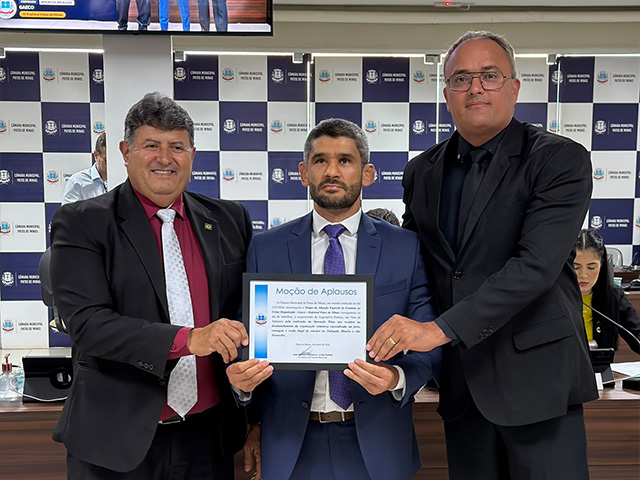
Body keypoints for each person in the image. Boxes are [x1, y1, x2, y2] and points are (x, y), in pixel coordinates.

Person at [367, 31, 598, 479]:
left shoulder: (558, 159)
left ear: (514, 87)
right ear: (446, 94)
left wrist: (437, 330)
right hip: (462, 387)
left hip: (538, 383)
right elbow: (413, 264)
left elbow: (535, 266)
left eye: (490, 76)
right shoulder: (422, 170)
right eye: (461, 78)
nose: (475, 88)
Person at [50, 92, 252, 479]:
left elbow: (244, 312)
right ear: (125, 152)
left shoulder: (229, 219)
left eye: (177, 146)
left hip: (209, 440)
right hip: (116, 443)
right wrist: (190, 339)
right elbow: (88, 325)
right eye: (151, 145)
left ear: (192, 154)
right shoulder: (82, 222)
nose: (165, 158)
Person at [227, 118, 441, 480]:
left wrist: (397, 377)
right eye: (320, 161)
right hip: (291, 445)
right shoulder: (266, 247)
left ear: (367, 173)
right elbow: (248, 336)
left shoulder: (406, 247)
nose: (331, 171)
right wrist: (241, 382)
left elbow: (429, 340)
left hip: (379, 444)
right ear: (303, 173)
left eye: (345, 160)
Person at [575, 229, 640, 355]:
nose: (583, 275)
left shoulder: (614, 296)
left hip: (601, 366)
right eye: (576, 267)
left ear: (602, 265)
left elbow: (636, 334)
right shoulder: (554, 298)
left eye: (591, 267)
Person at [62, 133, 108, 205]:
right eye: (106, 160)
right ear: (96, 156)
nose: (111, 165)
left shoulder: (123, 178)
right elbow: (68, 212)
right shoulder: (77, 182)